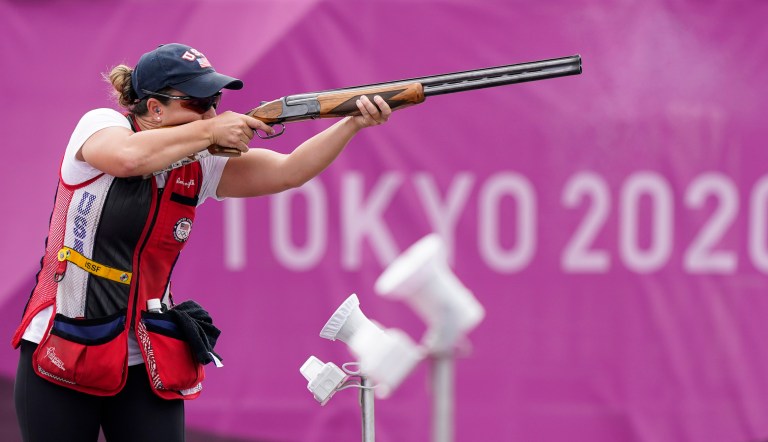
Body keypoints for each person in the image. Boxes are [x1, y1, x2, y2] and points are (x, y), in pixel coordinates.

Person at [11, 43, 391, 442]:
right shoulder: (102, 125)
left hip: (147, 355)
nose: (213, 112)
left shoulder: (202, 162)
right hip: (64, 345)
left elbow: (289, 170)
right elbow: (127, 159)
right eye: (199, 102)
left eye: (216, 101)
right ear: (155, 108)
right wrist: (210, 131)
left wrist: (352, 123)